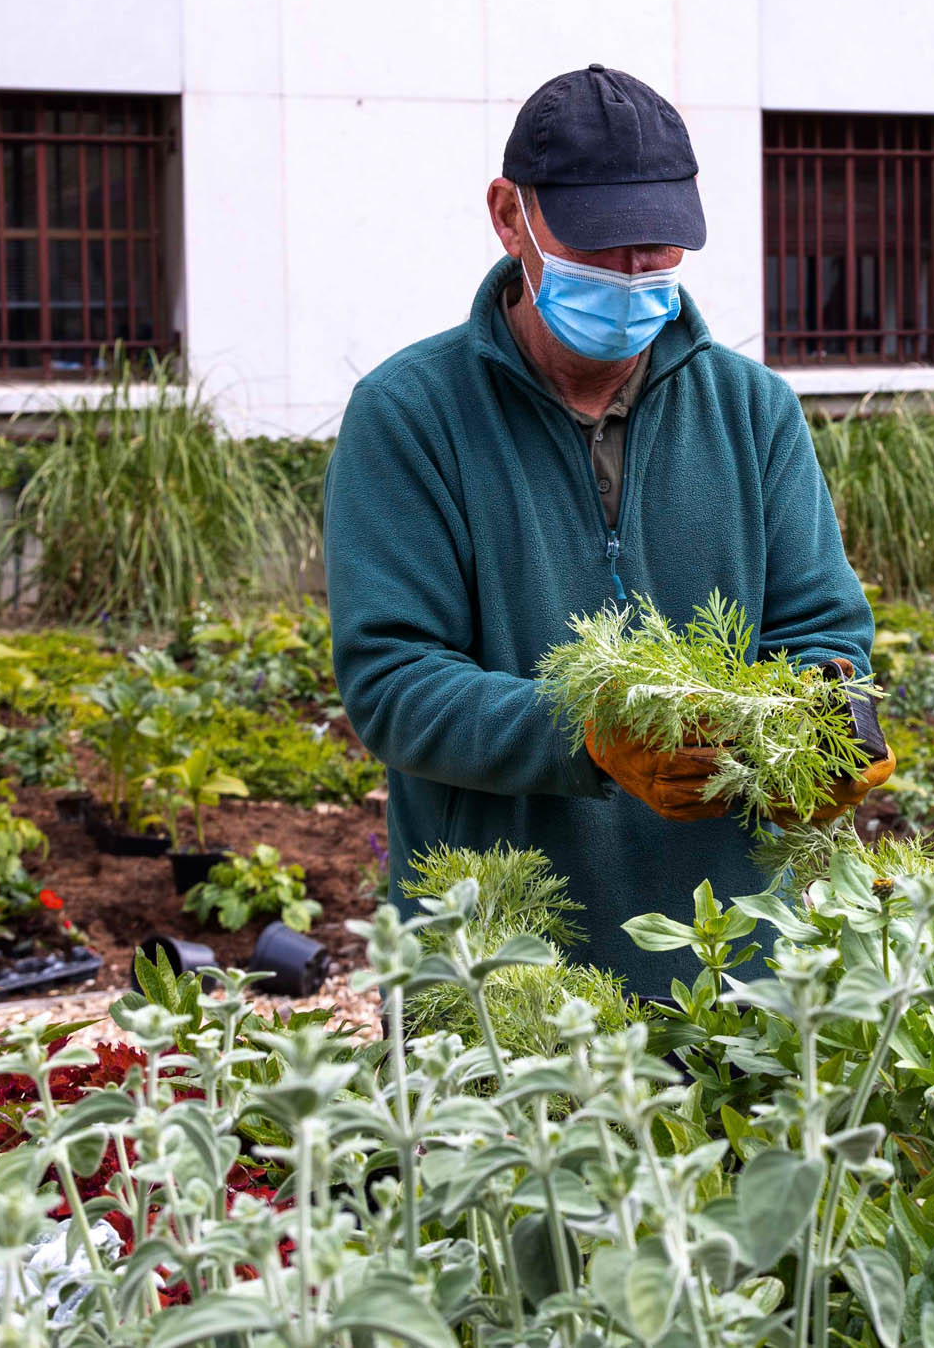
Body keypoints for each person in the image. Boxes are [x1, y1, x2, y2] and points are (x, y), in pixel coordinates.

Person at [324, 64, 892, 994]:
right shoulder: (410, 415)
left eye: (660, 245)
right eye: (602, 242)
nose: (635, 272)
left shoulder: (753, 412)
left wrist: (824, 723)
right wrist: (587, 733)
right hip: (506, 978)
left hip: (733, 964)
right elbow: (394, 682)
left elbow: (823, 631)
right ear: (512, 218)